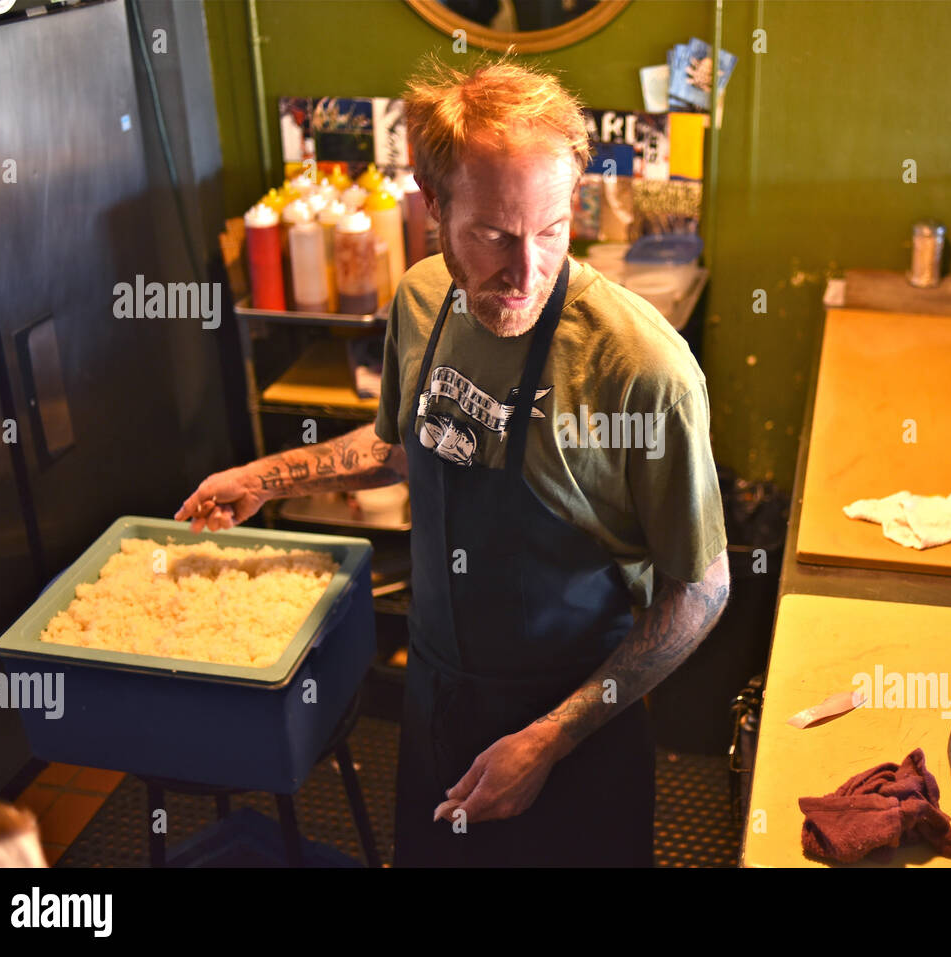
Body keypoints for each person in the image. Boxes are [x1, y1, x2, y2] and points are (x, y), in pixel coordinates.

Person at [175, 56, 730, 867]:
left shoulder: (644, 369)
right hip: (439, 701)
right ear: (433, 204)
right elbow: (405, 447)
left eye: (550, 232)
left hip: (576, 724)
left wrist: (548, 739)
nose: (526, 272)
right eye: (495, 236)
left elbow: (703, 587)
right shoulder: (422, 298)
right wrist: (263, 477)